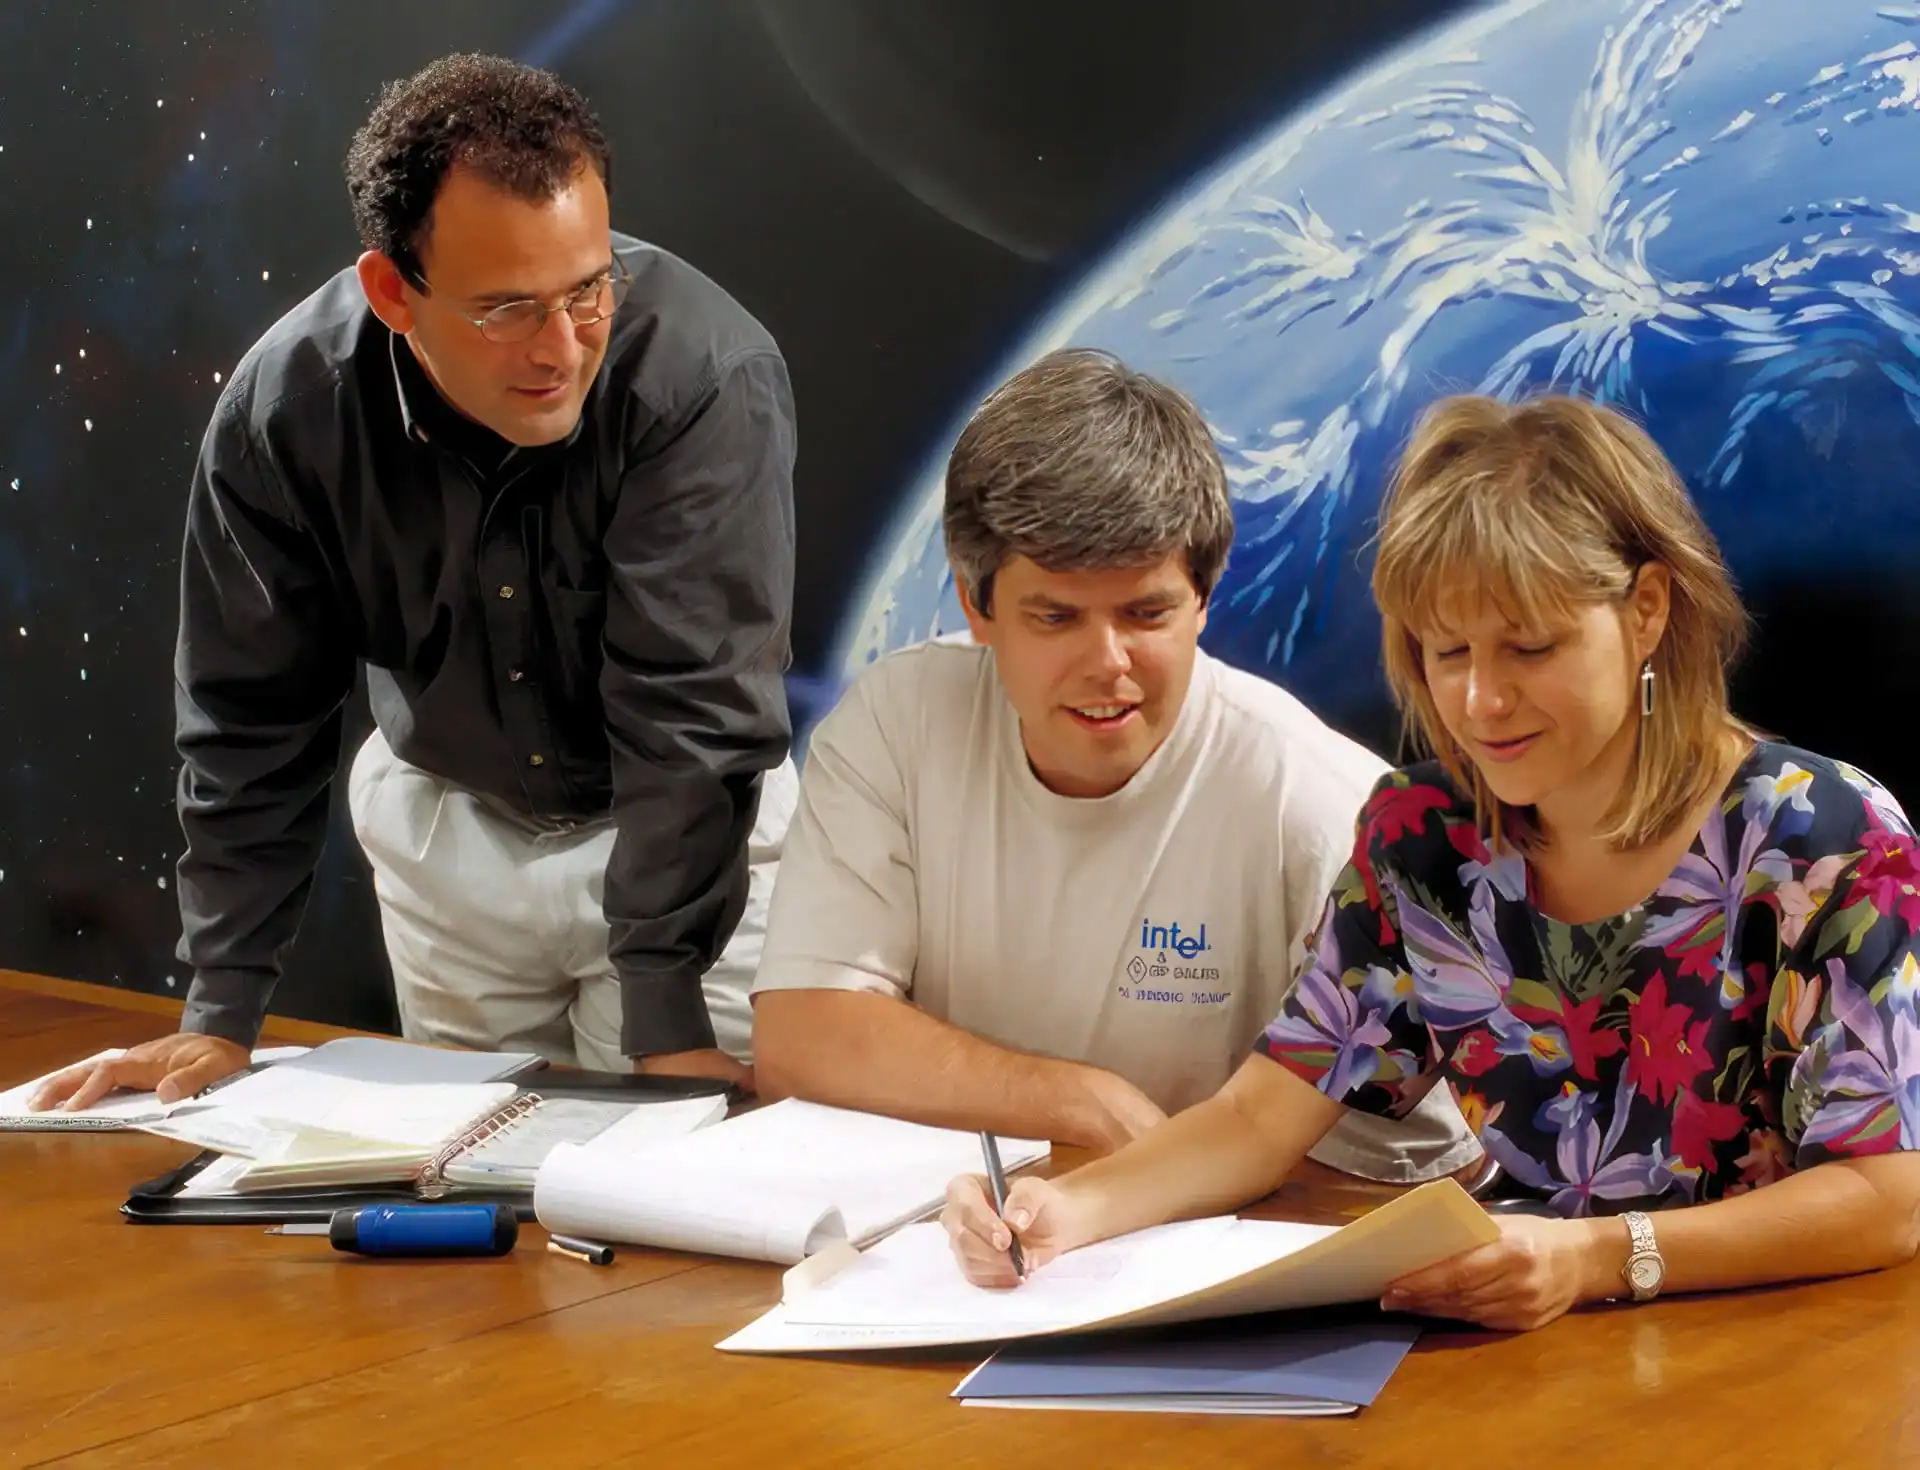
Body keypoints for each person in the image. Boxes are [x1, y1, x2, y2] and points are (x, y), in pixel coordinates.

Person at [942, 391, 1920, 1328]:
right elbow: (1257, 1120)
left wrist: (1601, 1259)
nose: (1481, 700)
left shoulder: (1824, 838)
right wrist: (1059, 1213)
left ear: (1648, 609)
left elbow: (1890, 1197)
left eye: (1529, 647)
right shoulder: (1422, 839)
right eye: (1447, 654)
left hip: (1797, 1346)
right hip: (1535, 1344)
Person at [34, 54, 798, 1112]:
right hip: (450, 840)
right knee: (474, 1198)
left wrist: (667, 1018)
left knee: (676, 1198)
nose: (561, 348)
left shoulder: (702, 374)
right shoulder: (285, 410)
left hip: (686, 838)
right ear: (392, 291)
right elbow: (251, 718)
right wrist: (221, 1016)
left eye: (588, 289)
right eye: (505, 309)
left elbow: (694, 718)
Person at [750, 348, 1477, 1182]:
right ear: (974, 604)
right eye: (1055, 618)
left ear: (1205, 597)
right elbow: (802, 1039)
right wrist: (1080, 1103)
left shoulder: (1326, 806)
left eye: (1146, 612)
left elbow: (1416, 1169)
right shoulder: (894, 723)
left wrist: (1159, 1189)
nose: (1108, 663)